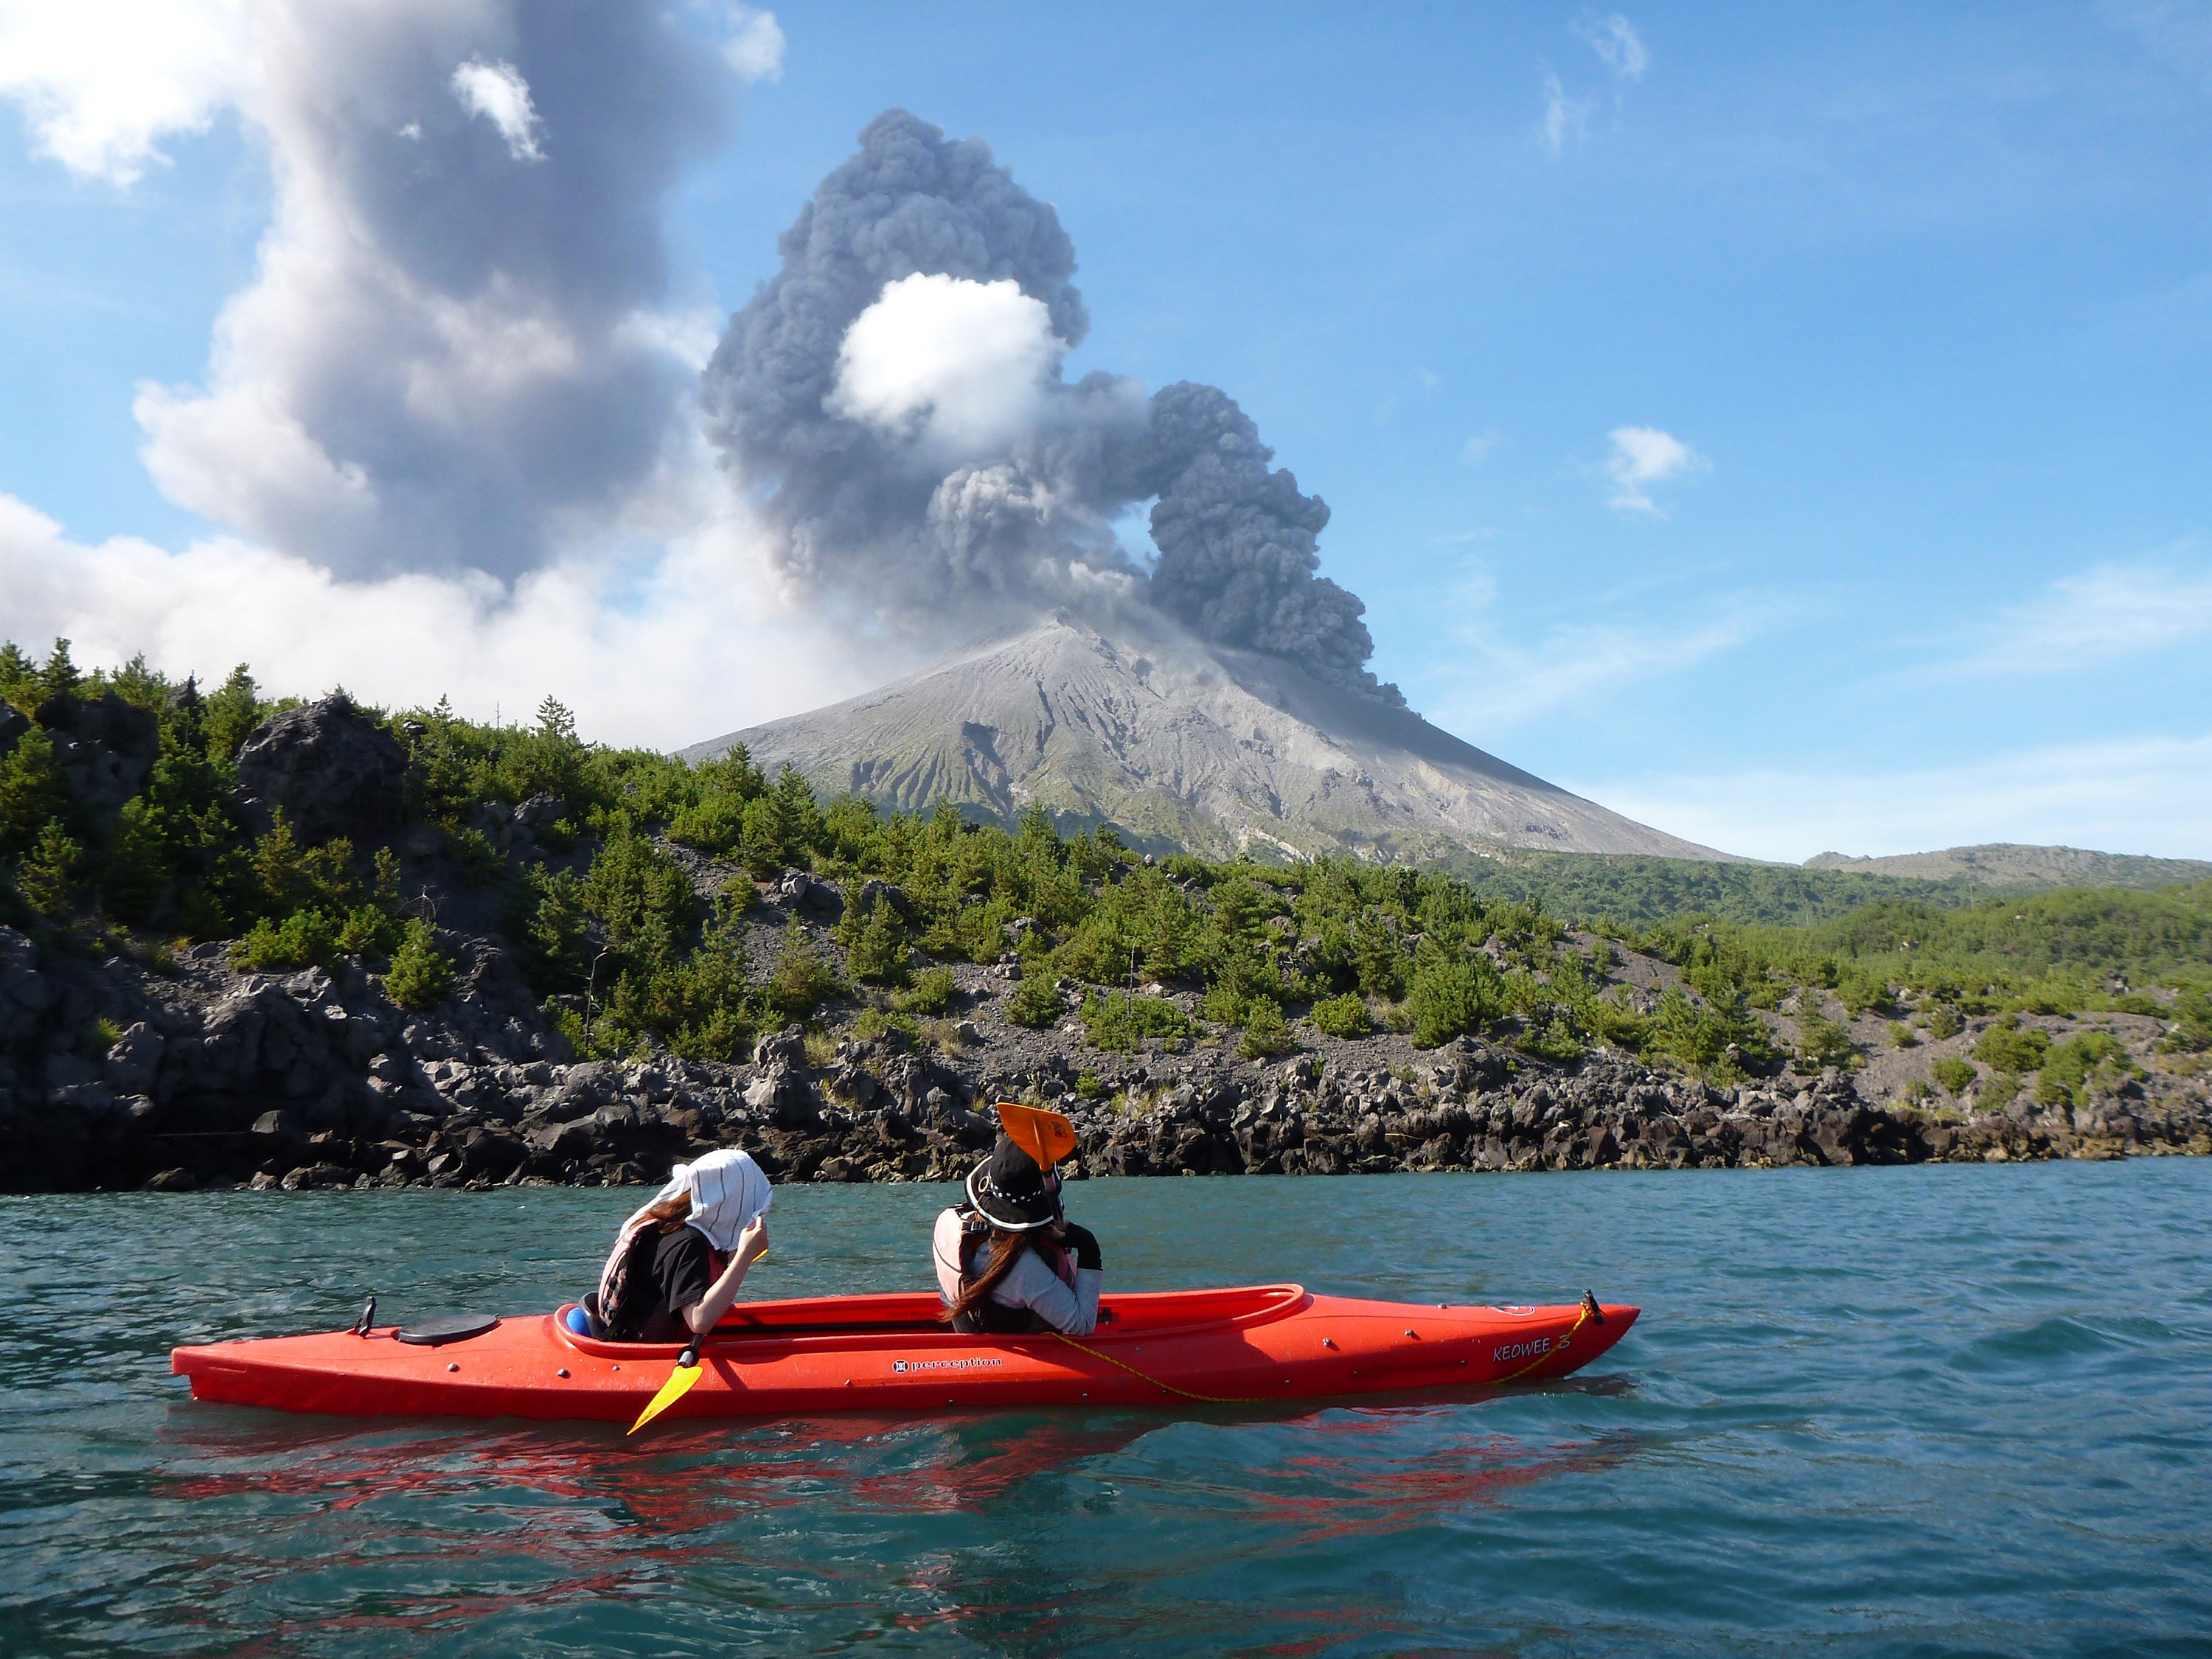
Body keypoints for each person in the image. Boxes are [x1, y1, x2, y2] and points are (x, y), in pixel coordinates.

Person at [934, 1105, 1104, 1336]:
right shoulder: (1024, 1270)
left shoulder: (949, 1220)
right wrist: (1088, 1246)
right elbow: (1082, 1325)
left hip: (968, 1327)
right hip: (1010, 1345)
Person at [577, 1147, 771, 1343]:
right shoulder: (688, 1243)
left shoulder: (667, 1222)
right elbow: (699, 1321)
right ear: (733, 1205)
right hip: (633, 1348)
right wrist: (745, 1254)